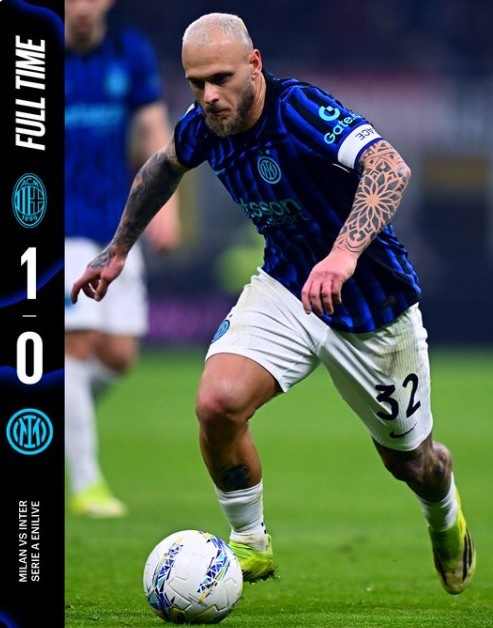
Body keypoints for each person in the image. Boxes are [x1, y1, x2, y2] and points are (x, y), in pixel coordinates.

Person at [71, 11, 476, 594]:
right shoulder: (204, 125)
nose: (210, 96)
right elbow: (162, 167)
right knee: (217, 404)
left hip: (372, 307)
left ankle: (444, 513)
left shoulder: (298, 109)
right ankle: (250, 544)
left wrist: (343, 254)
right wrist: (117, 250)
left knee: (411, 463)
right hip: (287, 287)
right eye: (196, 83)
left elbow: (389, 165)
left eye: (222, 78)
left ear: (254, 65)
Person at [64, 0, 181, 517]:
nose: (81, 7)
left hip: (116, 227)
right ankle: (87, 483)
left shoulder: (128, 52)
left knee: (118, 355)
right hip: (57, 224)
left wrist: (167, 209)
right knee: (75, 345)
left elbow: (154, 128)